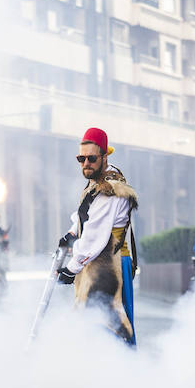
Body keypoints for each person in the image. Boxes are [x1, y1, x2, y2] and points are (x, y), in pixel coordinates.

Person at [57, 127, 138, 345]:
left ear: (104, 156)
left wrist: (71, 269)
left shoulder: (110, 188)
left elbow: (94, 235)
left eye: (91, 158)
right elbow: (85, 215)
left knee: (106, 322)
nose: (86, 163)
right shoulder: (97, 180)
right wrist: (72, 233)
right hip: (97, 260)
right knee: (91, 320)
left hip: (110, 266)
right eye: (81, 158)